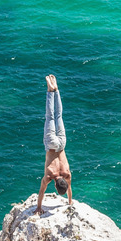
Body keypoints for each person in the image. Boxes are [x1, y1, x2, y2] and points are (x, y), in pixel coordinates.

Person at [34, 75, 72, 215]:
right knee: (50, 116)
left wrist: (70, 201)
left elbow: (69, 190)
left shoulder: (68, 175)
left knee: (59, 116)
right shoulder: (49, 176)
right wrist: (39, 207)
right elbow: (41, 191)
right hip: (51, 144)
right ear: (55, 186)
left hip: (62, 143)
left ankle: (56, 90)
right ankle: (50, 91)